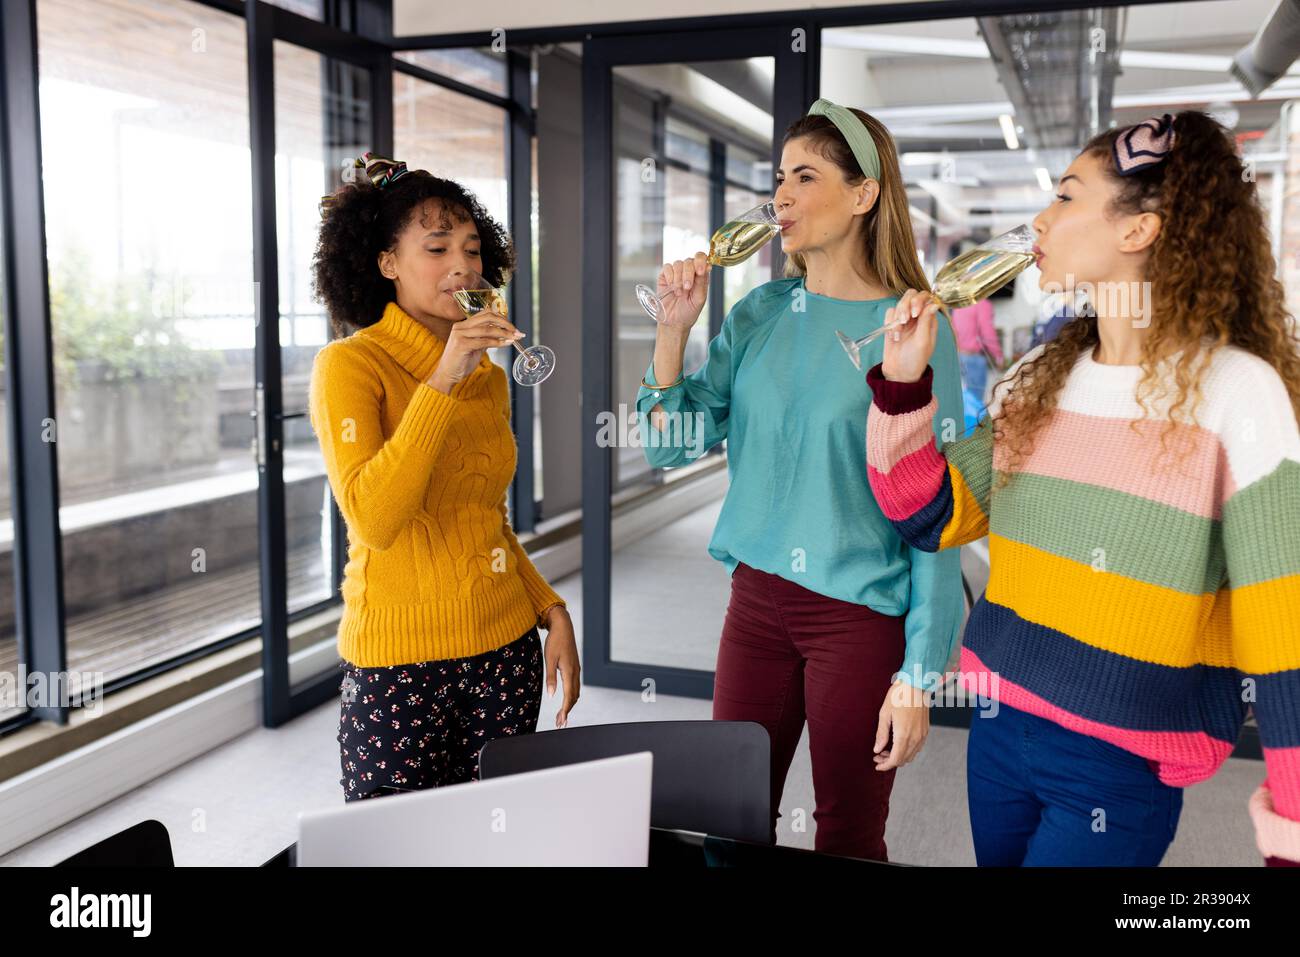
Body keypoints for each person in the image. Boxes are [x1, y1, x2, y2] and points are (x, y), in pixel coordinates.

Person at [865, 112, 1300, 866]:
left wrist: (1292, 830)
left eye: (1066, 196)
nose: (1041, 217)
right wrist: (902, 384)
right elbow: (926, 514)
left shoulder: (1239, 393)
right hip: (999, 732)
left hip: (1115, 764)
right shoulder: (1037, 380)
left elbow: (1285, 633)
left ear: (1138, 232)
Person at [635, 100, 965, 860]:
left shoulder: (912, 328)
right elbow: (673, 446)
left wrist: (918, 673)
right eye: (779, 176)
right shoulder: (758, 313)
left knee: (847, 834)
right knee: (726, 816)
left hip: (857, 615)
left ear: (863, 195)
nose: (780, 195)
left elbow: (940, 518)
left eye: (805, 176)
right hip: (754, 604)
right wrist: (672, 333)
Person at [310, 153, 579, 801]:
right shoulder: (348, 366)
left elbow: (482, 515)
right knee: (394, 848)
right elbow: (375, 518)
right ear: (386, 263)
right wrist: (443, 379)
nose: (463, 265)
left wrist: (549, 605)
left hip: (504, 648)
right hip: (396, 665)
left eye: (472, 247)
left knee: (492, 843)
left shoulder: (487, 374)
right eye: (436, 247)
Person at [951, 297, 1004, 400]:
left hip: (959, 356)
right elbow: (988, 334)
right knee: (976, 402)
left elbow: (954, 329)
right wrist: (998, 356)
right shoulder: (982, 304)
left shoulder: (958, 304)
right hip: (974, 358)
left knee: (965, 401)